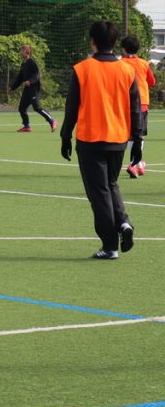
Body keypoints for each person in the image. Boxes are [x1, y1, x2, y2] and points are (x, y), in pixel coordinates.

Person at [60, 21, 140, 260]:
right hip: (118, 138)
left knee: (99, 192)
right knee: (111, 184)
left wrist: (65, 135)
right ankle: (123, 223)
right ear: (115, 42)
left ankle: (110, 245)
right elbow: (135, 108)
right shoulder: (127, 70)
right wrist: (137, 140)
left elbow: (72, 107)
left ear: (92, 40)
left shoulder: (82, 69)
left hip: (90, 139)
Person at [121, 35, 156, 178]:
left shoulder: (120, 63)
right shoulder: (144, 63)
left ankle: (139, 163)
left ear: (123, 49)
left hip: (125, 103)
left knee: (131, 136)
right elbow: (152, 82)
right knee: (139, 135)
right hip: (142, 103)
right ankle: (134, 164)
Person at [8, 44, 56, 133]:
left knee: (37, 107)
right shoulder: (23, 64)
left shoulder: (32, 62)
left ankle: (51, 120)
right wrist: (12, 87)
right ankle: (26, 126)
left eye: (22, 50)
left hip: (34, 89)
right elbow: (20, 78)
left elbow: (37, 74)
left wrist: (30, 81)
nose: (20, 52)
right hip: (27, 90)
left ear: (27, 52)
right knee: (22, 108)